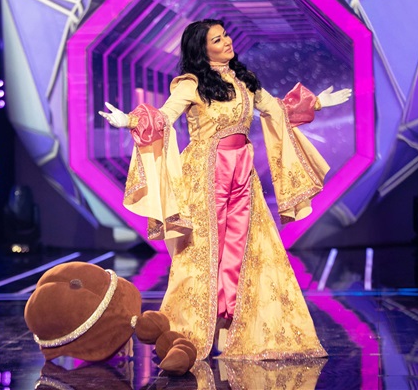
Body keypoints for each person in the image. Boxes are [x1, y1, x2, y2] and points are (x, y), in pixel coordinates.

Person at [99, 19, 351, 360]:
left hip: (242, 174)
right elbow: (164, 116)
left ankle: (231, 326)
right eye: (217, 40)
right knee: (204, 252)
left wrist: (317, 102)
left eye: (226, 35)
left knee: (241, 249)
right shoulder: (191, 84)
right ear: (202, 50)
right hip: (206, 175)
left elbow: (275, 109)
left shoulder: (245, 81)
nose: (227, 41)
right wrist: (129, 120)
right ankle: (192, 329)